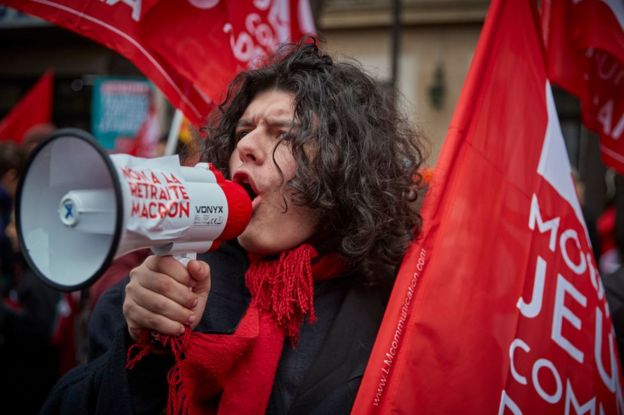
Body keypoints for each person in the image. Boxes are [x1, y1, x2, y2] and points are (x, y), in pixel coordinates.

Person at [41, 40, 427, 414]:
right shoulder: (162, 290)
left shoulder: (395, 303)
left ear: (340, 166)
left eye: (283, 134)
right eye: (243, 132)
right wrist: (140, 351)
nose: (247, 146)